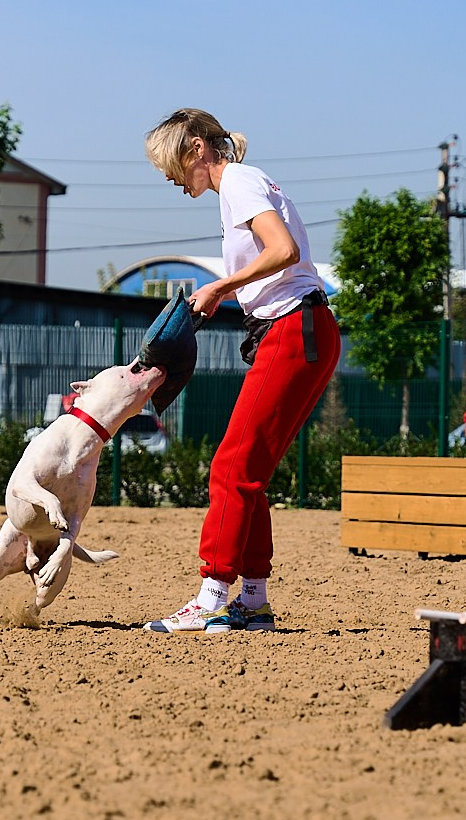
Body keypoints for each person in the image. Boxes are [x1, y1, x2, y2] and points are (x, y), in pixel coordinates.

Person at [139, 109, 340, 633]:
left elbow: (284, 250)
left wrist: (218, 287)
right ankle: (252, 601)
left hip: (296, 330)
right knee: (248, 471)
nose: (170, 178)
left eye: (171, 164)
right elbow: (280, 262)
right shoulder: (244, 185)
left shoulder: (240, 183)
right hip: (300, 328)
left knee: (230, 468)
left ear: (198, 149)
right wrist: (226, 299)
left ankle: (211, 594)